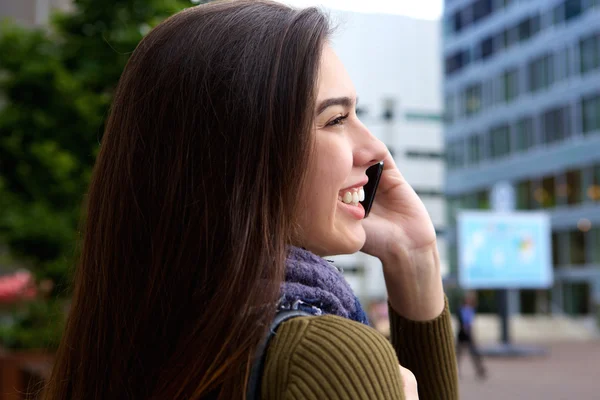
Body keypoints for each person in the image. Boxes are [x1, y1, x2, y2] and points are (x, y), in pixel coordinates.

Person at [43, 1, 458, 399]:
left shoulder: (137, 328)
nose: (375, 150)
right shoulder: (323, 354)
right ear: (240, 155)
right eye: (335, 119)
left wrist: (412, 252)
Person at [456, 292, 487, 380]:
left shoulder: (471, 309)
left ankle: (480, 370)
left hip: (469, 334)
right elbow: (462, 321)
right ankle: (454, 371)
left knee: (475, 353)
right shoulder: (460, 309)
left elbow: (470, 321)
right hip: (462, 334)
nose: (468, 300)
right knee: (458, 354)